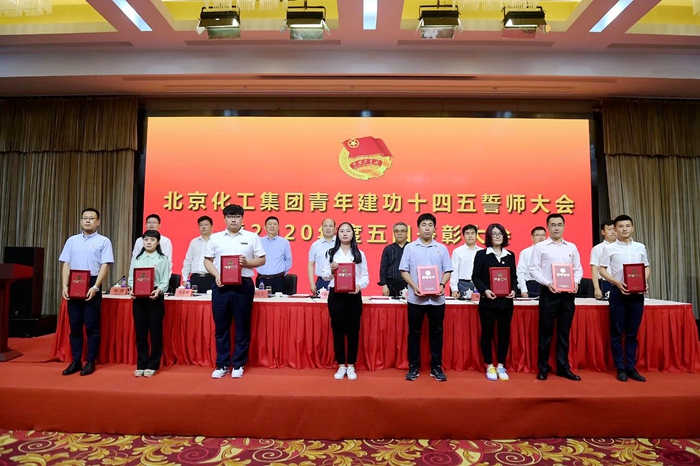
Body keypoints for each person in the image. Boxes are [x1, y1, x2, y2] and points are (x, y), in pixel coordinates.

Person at [203, 204, 266, 379]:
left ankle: (238, 363)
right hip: (221, 285)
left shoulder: (252, 237)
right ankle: (222, 364)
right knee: (221, 326)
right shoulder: (215, 238)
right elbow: (207, 261)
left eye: (237, 216)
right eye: (230, 216)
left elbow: (262, 259)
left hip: (243, 285)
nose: (233, 219)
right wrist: (217, 275)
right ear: (224, 218)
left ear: (242, 218)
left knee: (242, 325)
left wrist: (247, 263)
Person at [58, 208, 114, 376]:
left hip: (92, 283)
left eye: (91, 218)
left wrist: (96, 287)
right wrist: (64, 286)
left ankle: (90, 361)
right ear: (81, 221)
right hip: (74, 282)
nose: (87, 221)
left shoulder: (104, 241)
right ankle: (76, 361)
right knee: (75, 325)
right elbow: (66, 263)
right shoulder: (72, 240)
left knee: (91, 326)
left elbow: (105, 265)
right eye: (85, 218)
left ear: (98, 221)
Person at [399, 213, 453, 382]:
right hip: (416, 298)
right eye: (424, 225)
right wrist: (414, 286)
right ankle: (413, 366)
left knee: (437, 333)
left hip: (437, 299)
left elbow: (448, 270)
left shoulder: (442, 248)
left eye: (430, 225)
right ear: (418, 228)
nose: (427, 228)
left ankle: (436, 367)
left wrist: (442, 285)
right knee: (414, 333)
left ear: (435, 228)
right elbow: (404, 270)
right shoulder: (410, 248)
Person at [529, 213, 583, 381]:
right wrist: (547, 283)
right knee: (545, 333)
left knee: (563, 332)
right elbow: (533, 269)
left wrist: (576, 282)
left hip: (568, 295)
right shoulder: (540, 247)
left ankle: (563, 368)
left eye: (559, 224)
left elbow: (578, 269)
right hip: (549, 293)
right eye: (553, 225)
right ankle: (543, 368)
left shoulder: (571, 247)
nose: (556, 228)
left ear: (564, 226)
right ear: (547, 227)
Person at [599, 214, 651, 383]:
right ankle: (620, 368)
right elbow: (602, 270)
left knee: (632, 333)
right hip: (618, 293)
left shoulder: (640, 247)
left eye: (627, 226)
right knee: (617, 332)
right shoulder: (609, 248)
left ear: (633, 227)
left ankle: (631, 367)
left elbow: (646, 267)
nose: (624, 229)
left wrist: (643, 281)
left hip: (637, 295)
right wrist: (616, 282)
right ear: (615, 229)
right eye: (620, 226)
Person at [321, 222, 369, 380]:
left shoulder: (359, 254)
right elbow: (324, 275)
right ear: (338, 234)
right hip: (336, 296)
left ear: (353, 234)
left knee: (353, 331)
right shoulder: (330, 253)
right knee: (338, 331)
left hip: (353, 296)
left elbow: (365, 276)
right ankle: (341, 365)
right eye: (342, 231)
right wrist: (331, 270)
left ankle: (351, 365)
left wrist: (359, 286)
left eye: (348, 231)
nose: (345, 233)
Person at [472, 223, 518, 381]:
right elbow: (475, 276)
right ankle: (489, 364)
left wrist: (514, 290)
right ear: (489, 237)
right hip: (488, 302)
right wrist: (485, 290)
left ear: (504, 236)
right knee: (487, 333)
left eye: (500, 234)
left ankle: (501, 365)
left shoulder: (510, 255)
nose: (497, 236)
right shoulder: (481, 254)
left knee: (504, 334)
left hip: (506, 303)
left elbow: (514, 277)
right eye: (494, 234)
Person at [128, 230, 170, 377]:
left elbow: (165, 279)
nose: (149, 242)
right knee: (140, 333)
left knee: (155, 333)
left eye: (152, 239)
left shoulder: (162, 259)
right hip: (138, 299)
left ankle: (153, 364)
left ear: (157, 242)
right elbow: (131, 278)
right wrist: (131, 289)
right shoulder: (137, 258)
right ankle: (141, 364)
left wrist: (159, 290)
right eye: (146, 239)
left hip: (155, 297)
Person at [256, 216, 292, 294]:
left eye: (275, 224)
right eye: (270, 224)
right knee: (260, 301)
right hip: (261, 279)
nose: (272, 226)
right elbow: (255, 258)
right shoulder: (259, 241)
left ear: (278, 227)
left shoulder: (284, 242)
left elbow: (288, 260)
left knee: (278, 301)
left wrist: (281, 273)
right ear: (265, 227)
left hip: (278, 280)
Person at [182, 215, 214, 293]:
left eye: (206, 225)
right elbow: (188, 260)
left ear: (212, 226)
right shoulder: (194, 242)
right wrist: (185, 279)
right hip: (195, 278)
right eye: (201, 225)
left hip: (211, 277)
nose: (203, 227)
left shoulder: (216, 241)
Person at [450, 224, 482, 298]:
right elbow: (454, 270)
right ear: (463, 236)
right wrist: (454, 289)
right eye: (467, 233)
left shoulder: (482, 252)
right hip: (462, 284)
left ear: (476, 235)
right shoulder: (458, 251)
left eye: (472, 233)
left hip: (479, 284)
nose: (470, 236)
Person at [377, 221, 409, 296]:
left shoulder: (412, 248)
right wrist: (384, 285)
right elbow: (383, 268)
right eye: (397, 231)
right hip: (391, 284)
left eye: (402, 231)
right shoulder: (388, 249)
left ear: (406, 233)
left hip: (409, 283)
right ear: (394, 233)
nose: (399, 233)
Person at [590, 220, 617, 300]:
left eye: (614, 229)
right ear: (603, 232)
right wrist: (596, 288)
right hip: (606, 283)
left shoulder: (623, 247)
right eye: (609, 229)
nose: (613, 232)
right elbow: (594, 269)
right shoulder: (597, 249)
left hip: (621, 282)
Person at [307, 218, 336, 295]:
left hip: (338, 280)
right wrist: (311, 282)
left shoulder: (341, 244)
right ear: (322, 228)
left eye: (330, 226)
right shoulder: (316, 245)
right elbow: (311, 264)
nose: (328, 228)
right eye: (325, 226)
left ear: (335, 229)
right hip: (321, 281)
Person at [516, 226, 546, 298]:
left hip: (547, 285)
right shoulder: (525, 252)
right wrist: (523, 289)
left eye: (543, 235)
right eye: (538, 235)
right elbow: (520, 272)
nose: (541, 238)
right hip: (531, 285)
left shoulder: (550, 252)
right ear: (532, 237)